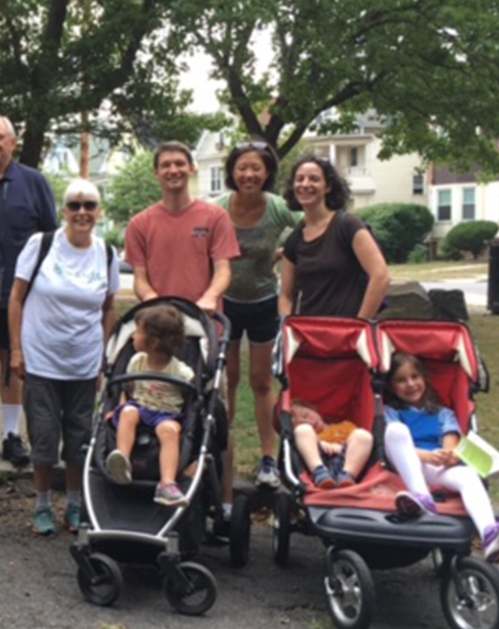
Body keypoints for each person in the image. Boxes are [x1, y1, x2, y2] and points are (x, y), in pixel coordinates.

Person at [125, 141, 239, 517]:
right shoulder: (141, 223)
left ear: (191, 169)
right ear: (156, 173)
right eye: (166, 165)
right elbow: (140, 278)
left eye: (180, 163)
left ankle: (223, 501)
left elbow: (223, 269)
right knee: (149, 404)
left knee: (214, 416)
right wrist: (155, 304)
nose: (173, 170)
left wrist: (209, 297)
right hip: (159, 334)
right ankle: (147, 479)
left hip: (203, 332)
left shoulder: (214, 217)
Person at [9, 179, 120, 536]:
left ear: (99, 211)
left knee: (79, 440)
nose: (82, 212)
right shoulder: (41, 245)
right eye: (75, 205)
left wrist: (105, 356)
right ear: (64, 210)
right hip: (41, 360)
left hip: (84, 364)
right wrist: (15, 349)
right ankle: (41, 504)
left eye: (89, 206)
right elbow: (15, 298)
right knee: (43, 439)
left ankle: (74, 505)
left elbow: (108, 308)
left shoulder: (106, 253)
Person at [0, 113, 57, 468]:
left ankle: (13, 436)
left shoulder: (33, 182)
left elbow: (50, 236)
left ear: (13, 143)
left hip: (22, 293)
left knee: (14, 362)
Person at [213, 141, 297, 491]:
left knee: (261, 381)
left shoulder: (277, 208)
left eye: (256, 168)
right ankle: (222, 454)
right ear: (232, 172)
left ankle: (267, 460)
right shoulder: (217, 209)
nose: (248, 174)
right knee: (227, 380)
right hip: (226, 302)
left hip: (264, 301)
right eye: (242, 168)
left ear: (267, 173)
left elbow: (312, 228)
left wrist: (283, 253)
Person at [383, 353, 499, 561]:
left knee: (467, 476)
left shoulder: (443, 413)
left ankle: (489, 534)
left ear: (424, 379)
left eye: (414, 377)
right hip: (407, 464)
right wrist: (426, 456)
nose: (410, 384)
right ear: (391, 387)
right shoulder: (391, 411)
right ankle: (421, 496)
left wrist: (449, 457)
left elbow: (450, 442)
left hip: (435, 466)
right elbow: (393, 445)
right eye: (401, 380)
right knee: (396, 431)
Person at [279, 154, 390, 319]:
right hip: (309, 331)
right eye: (299, 179)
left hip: (348, 330)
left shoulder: (348, 225)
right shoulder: (294, 239)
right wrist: (287, 324)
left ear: (328, 187)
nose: (305, 184)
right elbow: (285, 296)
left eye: (314, 179)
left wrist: (360, 325)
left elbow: (381, 276)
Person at [105, 305, 195, 508]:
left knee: (169, 431)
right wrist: (118, 408)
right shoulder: (136, 362)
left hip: (166, 414)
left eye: (137, 332)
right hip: (140, 407)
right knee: (128, 412)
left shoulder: (181, 372)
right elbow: (128, 389)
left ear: (153, 342)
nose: (133, 337)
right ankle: (122, 460)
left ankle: (167, 484)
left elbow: (189, 398)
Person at [290, 401, 373, 490]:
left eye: (305, 415)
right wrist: (320, 443)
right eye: (302, 423)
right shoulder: (310, 435)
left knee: (363, 435)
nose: (309, 422)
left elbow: (357, 444)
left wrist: (341, 447)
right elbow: (305, 443)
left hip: (347, 462)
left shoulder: (345, 426)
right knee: (303, 430)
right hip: (319, 460)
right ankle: (319, 472)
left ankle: (347, 476)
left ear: (313, 409)